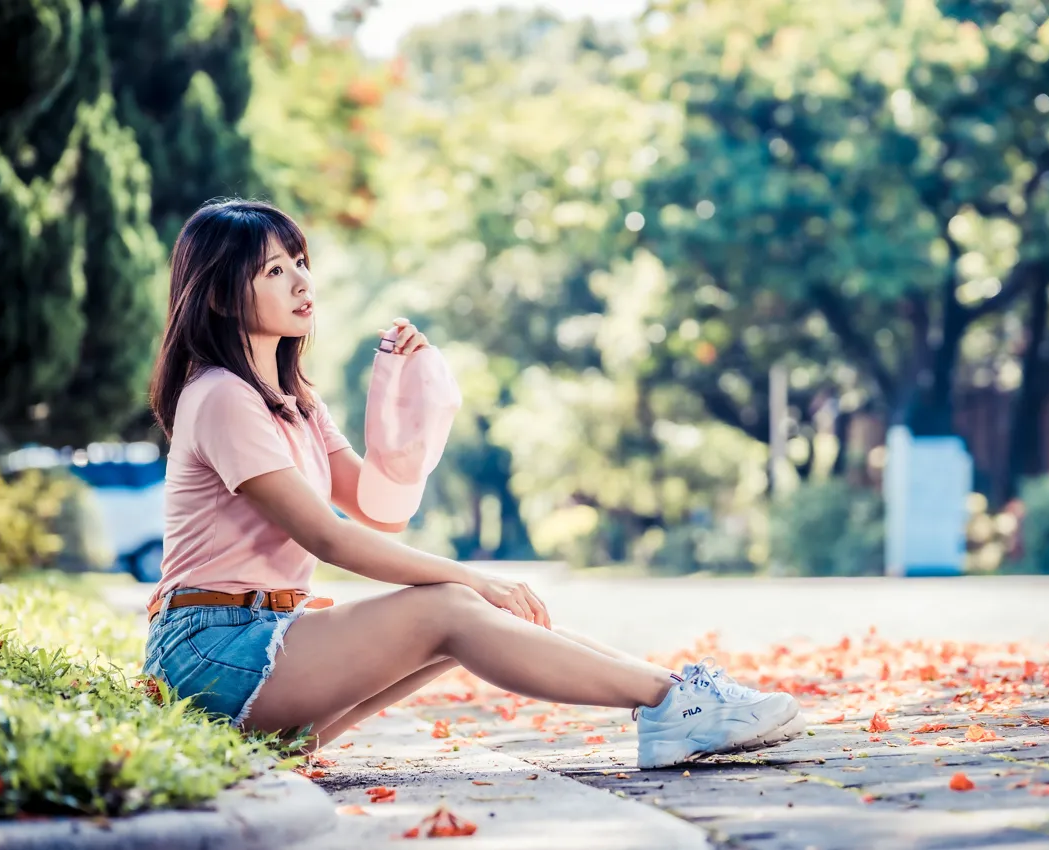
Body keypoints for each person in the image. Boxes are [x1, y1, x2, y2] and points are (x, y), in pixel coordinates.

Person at [141, 198, 805, 770]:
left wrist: (407, 398)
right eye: (275, 271)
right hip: (210, 649)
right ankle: (670, 703)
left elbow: (377, 508)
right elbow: (328, 537)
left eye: (301, 261)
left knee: (473, 610)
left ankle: (674, 692)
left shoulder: (294, 402)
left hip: (267, 639)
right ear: (224, 294)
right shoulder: (223, 396)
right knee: (451, 606)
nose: (301, 282)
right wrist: (473, 577)